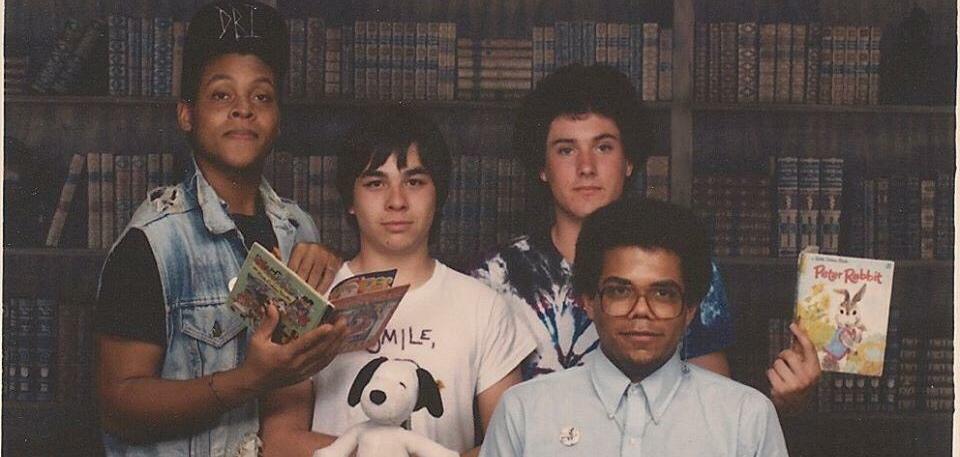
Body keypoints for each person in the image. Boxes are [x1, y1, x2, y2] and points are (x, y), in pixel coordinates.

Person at [471, 64, 819, 413]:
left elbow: (714, 413)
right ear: (542, 167)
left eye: (603, 147)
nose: (586, 167)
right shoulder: (496, 277)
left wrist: (788, 404)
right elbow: (500, 431)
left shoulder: (681, 260)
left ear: (629, 161)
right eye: (566, 150)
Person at [95, 2, 346, 455]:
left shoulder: (299, 228)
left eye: (262, 96)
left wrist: (334, 272)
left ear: (278, 118)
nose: (243, 110)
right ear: (186, 115)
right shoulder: (151, 243)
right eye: (221, 95)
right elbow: (118, 406)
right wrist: (248, 380)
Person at [260, 106, 536, 457]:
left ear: (439, 195)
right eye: (376, 183)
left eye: (415, 182)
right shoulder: (311, 300)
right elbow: (279, 442)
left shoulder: (483, 306)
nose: (397, 201)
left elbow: (509, 444)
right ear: (350, 200)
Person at [479, 197, 789, 456]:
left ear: (690, 309)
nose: (641, 311)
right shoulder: (524, 411)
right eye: (620, 291)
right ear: (588, 300)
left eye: (663, 293)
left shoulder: (746, 418)